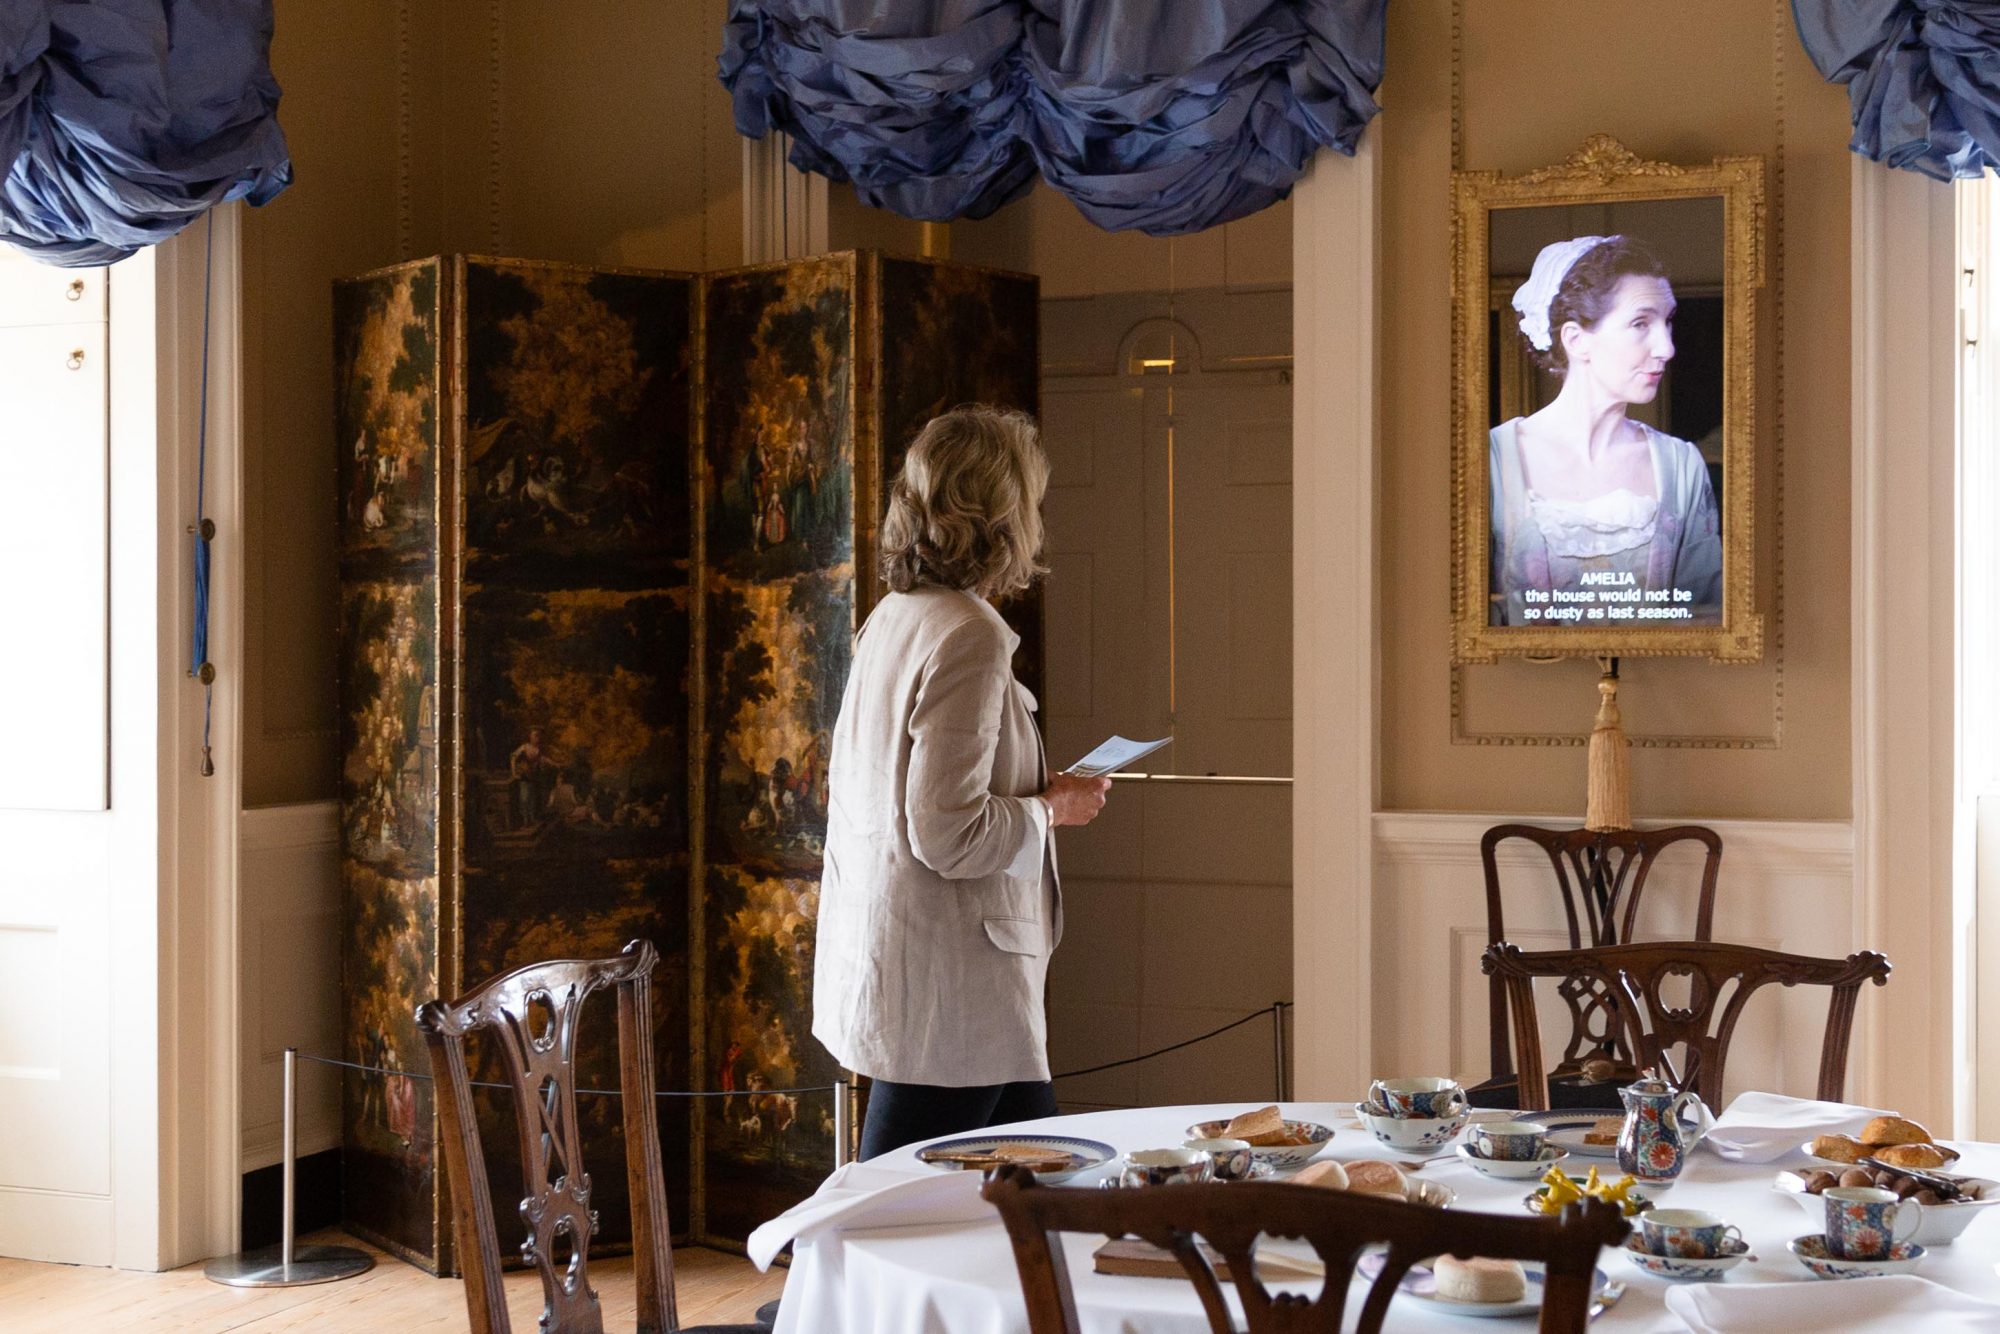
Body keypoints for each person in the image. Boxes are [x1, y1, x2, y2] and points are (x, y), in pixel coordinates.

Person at [813, 405, 1110, 1160]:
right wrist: (1052, 809)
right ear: (1004, 515)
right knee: (886, 1212)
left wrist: (1034, 789)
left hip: (921, 972)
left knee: (1036, 1181)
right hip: (952, 990)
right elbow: (949, 833)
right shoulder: (968, 633)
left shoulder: (894, 616)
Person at [1489, 235, 1723, 626]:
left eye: (1667, 323)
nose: (1666, 348)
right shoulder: (1493, 458)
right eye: (1640, 323)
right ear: (1576, 340)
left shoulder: (1680, 464)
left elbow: (1707, 615)